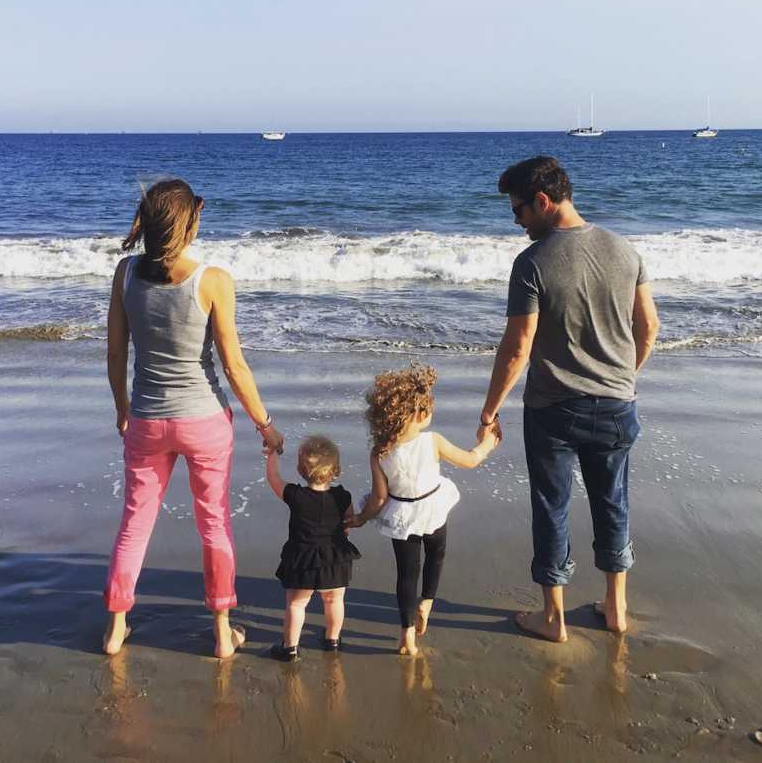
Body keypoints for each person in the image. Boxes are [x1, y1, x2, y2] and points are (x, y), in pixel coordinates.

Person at [477, 156, 659, 642]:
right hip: (617, 404)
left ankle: (554, 618)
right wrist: (623, 377)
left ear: (543, 201)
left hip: (553, 410)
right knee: (613, 503)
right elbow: (649, 328)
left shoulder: (532, 263)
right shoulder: (624, 250)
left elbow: (517, 348)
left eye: (518, 210)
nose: (516, 221)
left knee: (551, 507)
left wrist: (489, 410)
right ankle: (616, 607)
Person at [103, 179, 284, 658]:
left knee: (135, 523)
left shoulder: (124, 274)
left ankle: (116, 627)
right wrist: (265, 424)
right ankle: (223, 632)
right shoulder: (212, 280)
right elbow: (234, 364)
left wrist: (122, 408)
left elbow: (117, 352)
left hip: (145, 418)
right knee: (214, 524)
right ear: (194, 217)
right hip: (204, 419)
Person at [351, 365, 499, 655]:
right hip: (432, 509)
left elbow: (379, 498)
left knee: (406, 575)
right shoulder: (433, 440)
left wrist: (360, 519)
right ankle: (427, 602)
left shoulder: (380, 452)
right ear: (419, 415)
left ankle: (407, 637)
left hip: (402, 518)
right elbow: (469, 460)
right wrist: (488, 443)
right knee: (436, 555)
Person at [265, 436, 361, 661]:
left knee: (297, 604)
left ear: (300, 469)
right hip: (335, 558)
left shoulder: (296, 495)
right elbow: (348, 521)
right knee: (334, 600)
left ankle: (290, 648)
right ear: (336, 470)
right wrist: (343, 531)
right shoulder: (342, 496)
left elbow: (273, 478)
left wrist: (272, 454)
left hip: (304, 560)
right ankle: (332, 640)